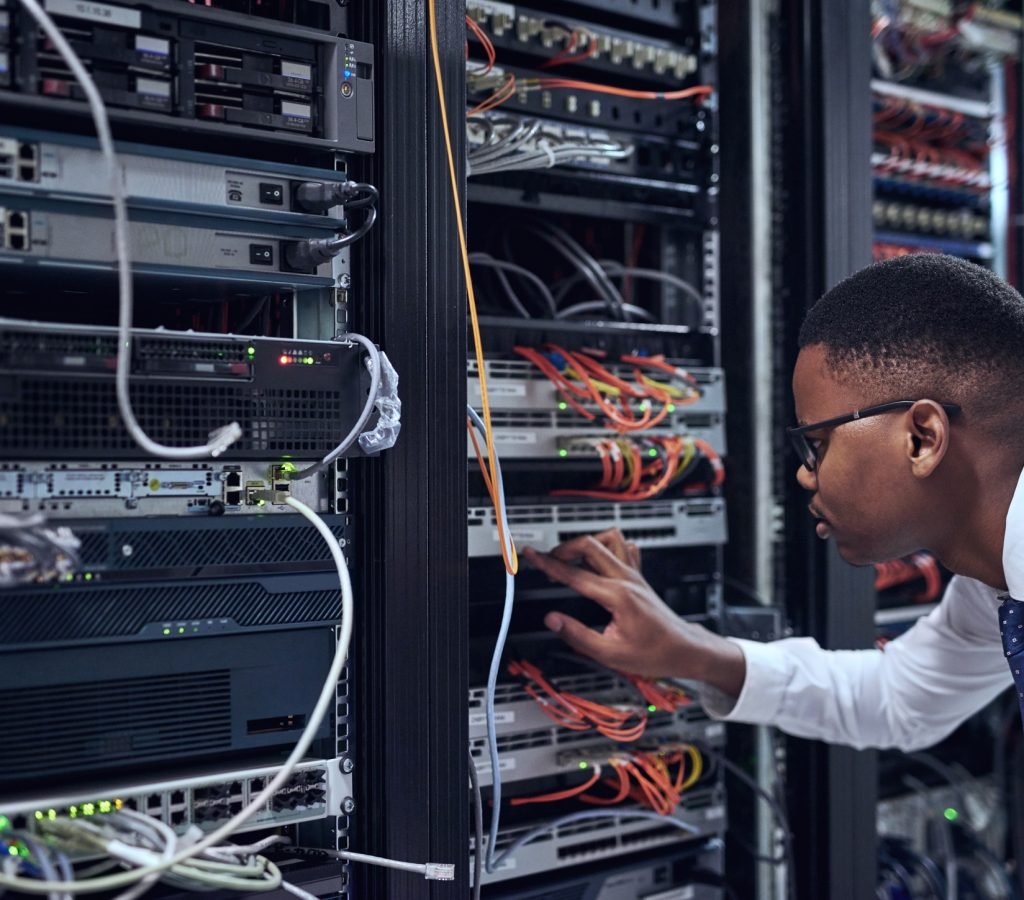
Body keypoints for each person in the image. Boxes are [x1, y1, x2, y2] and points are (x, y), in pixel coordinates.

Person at [523, 253, 1024, 750]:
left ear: (922, 439)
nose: (805, 474)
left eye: (818, 444)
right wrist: (688, 650)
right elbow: (899, 700)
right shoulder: (991, 588)